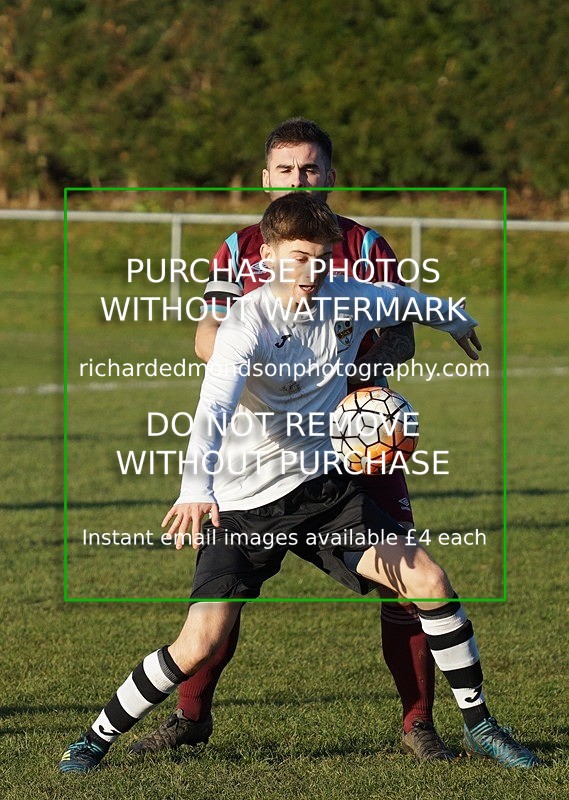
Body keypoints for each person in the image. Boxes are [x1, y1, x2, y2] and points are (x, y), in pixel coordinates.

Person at [59, 193, 538, 773]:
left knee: (429, 579)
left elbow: (403, 300)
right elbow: (212, 410)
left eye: (320, 259)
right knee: (200, 643)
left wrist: (454, 319)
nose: (309, 272)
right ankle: (95, 738)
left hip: (324, 493)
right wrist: (194, 488)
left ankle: (481, 727)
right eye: (297, 258)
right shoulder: (246, 323)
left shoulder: (344, 297)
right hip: (243, 505)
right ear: (270, 257)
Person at [129, 118, 448, 762]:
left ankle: (419, 724)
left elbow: (405, 332)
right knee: (222, 594)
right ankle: (191, 717)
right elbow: (205, 337)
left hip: (361, 439)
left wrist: (356, 386)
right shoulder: (240, 247)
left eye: (310, 169)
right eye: (285, 170)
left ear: (330, 175)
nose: (297, 180)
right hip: (262, 446)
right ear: (265, 178)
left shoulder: (367, 246)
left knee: (407, 580)